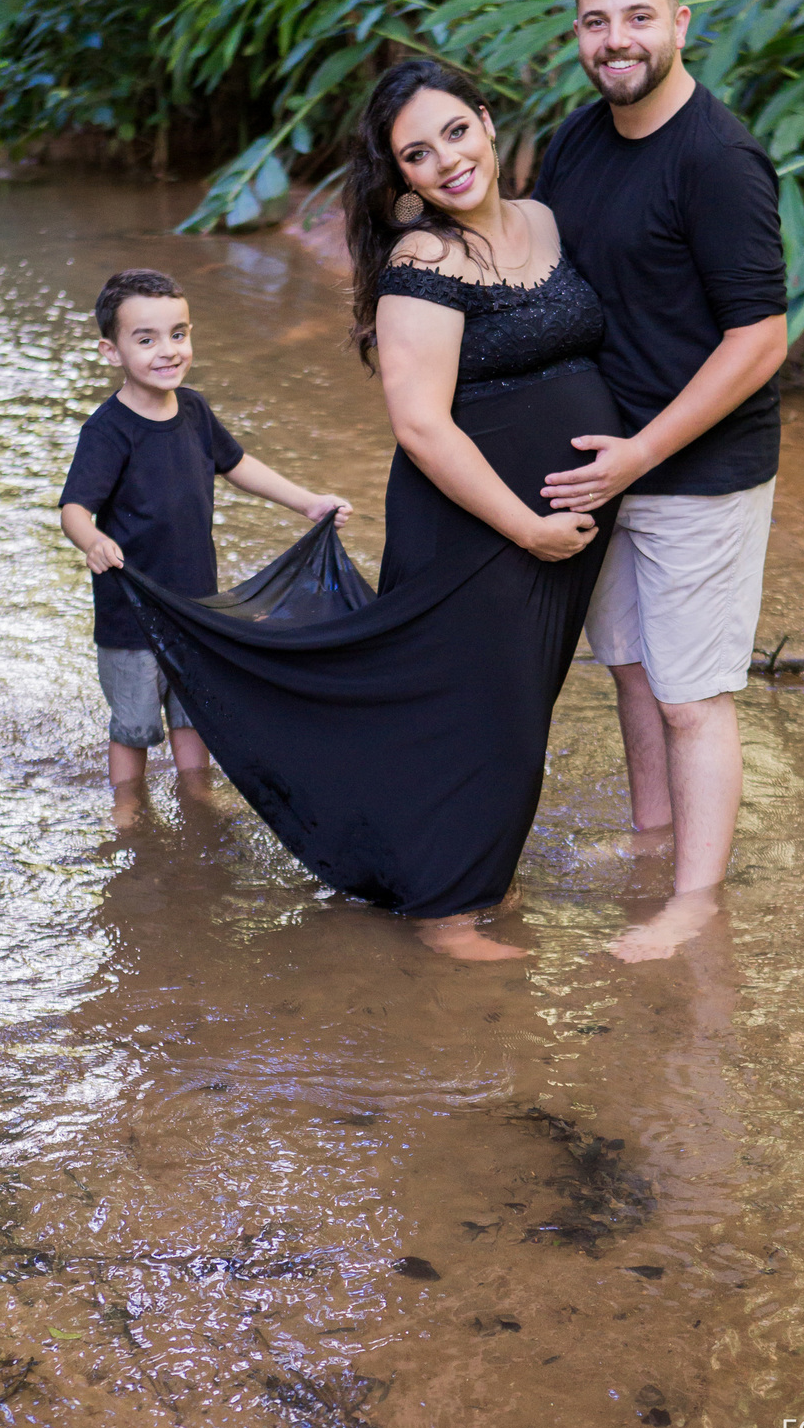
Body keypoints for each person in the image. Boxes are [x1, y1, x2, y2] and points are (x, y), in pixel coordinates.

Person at [115, 60, 620, 961]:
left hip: (553, 535)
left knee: (515, 708)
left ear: (487, 121)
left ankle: (470, 877)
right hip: (479, 527)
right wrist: (528, 528)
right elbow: (420, 425)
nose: (447, 161)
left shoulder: (545, 221)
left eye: (455, 133)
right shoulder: (423, 261)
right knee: (477, 712)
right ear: (403, 177)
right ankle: (445, 913)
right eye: (418, 154)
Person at [534, 0, 789, 963]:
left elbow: (760, 339)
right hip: (605, 464)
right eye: (597, 21)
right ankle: (652, 837)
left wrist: (643, 452)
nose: (617, 40)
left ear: (680, 24)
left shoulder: (717, 159)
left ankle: (694, 902)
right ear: (578, 35)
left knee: (692, 697)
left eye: (638, 17)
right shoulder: (574, 141)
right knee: (632, 670)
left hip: (699, 472)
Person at [59, 268, 351, 821]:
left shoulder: (193, 411)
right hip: (132, 615)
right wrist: (92, 540)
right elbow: (74, 508)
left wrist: (308, 503)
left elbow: (238, 466)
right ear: (112, 351)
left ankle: (197, 797)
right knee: (134, 724)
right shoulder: (108, 431)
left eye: (178, 333)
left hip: (196, 608)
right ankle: (128, 810)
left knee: (194, 713)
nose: (168, 350)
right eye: (146, 339)